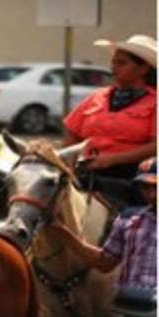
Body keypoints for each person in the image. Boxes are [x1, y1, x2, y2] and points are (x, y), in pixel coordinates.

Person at [49, 158, 156, 317]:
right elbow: (104, 263)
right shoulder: (130, 220)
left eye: (155, 187)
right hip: (129, 312)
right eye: (145, 187)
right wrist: (65, 236)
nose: (151, 193)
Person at [63, 35, 156, 208]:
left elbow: (155, 145)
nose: (113, 67)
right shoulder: (97, 97)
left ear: (143, 69)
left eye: (122, 63)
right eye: (114, 62)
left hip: (132, 176)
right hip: (88, 170)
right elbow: (72, 129)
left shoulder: (155, 102)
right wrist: (71, 161)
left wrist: (112, 159)